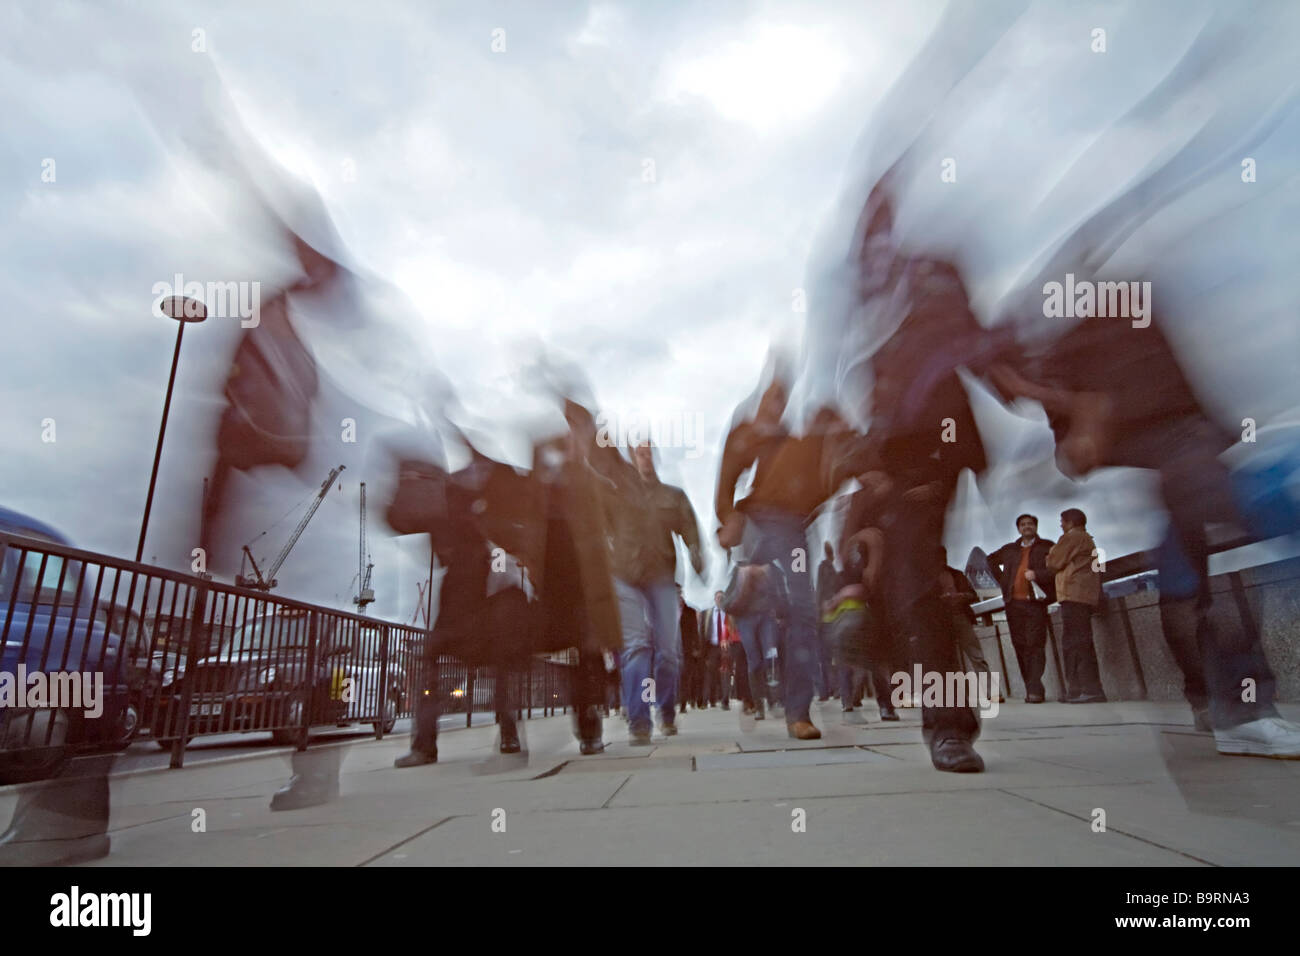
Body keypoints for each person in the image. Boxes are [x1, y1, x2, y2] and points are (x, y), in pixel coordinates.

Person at [989, 310, 1300, 756]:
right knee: (1187, 589)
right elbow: (1075, 458)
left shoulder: (1088, 335)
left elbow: (1152, 398)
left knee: (1199, 579)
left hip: (1188, 465)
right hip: (1167, 482)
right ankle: (1228, 708)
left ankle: (1229, 707)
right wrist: (1070, 415)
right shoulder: (1063, 370)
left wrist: (1069, 406)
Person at [715, 382, 849, 741]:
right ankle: (759, 581)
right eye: (772, 399)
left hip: (793, 534)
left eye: (782, 400)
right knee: (777, 597)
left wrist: (843, 454)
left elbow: (828, 487)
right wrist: (726, 515)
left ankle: (798, 712)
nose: (777, 407)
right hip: (759, 523)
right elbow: (728, 471)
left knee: (803, 611)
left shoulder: (806, 445)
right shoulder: (752, 433)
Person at [590, 439, 705, 745]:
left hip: (661, 578)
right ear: (632, 457)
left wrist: (696, 553)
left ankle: (665, 710)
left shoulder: (672, 496)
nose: (645, 458)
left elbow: (689, 527)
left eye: (649, 452)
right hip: (624, 576)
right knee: (637, 646)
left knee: (668, 652)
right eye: (639, 453)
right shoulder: (616, 494)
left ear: (655, 457)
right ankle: (639, 720)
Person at [988, 515, 1055, 702]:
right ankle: (1030, 688)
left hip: (1035, 603)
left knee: (1035, 644)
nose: (1027, 527)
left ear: (1035, 527)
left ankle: (1035, 689)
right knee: (1020, 645)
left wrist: (1038, 575)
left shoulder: (1047, 547)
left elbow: (1057, 568)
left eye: (1030, 524)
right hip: (1013, 604)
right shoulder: (1010, 549)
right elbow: (989, 560)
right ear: (1018, 529)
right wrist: (1003, 580)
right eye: (1023, 525)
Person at [1044, 509, 1106, 703]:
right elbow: (1099, 568)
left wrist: (1052, 551)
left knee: (1075, 643)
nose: (1060, 525)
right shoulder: (1088, 538)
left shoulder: (1071, 537)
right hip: (1086, 595)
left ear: (1070, 522)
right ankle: (1084, 689)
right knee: (1081, 641)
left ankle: (1085, 690)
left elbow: (1053, 563)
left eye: (1062, 521)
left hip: (1073, 595)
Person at [939, 547, 993, 687]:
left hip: (960, 617)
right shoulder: (926, 580)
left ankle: (991, 690)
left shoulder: (956, 574)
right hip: (940, 621)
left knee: (976, 655)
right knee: (945, 659)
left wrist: (960, 597)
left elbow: (972, 594)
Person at [700, 591, 735, 709]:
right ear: (714, 599)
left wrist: (731, 641)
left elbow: (734, 629)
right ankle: (705, 701)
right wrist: (702, 650)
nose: (720, 600)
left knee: (726, 673)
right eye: (718, 597)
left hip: (726, 647)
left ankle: (725, 701)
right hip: (712, 647)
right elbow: (702, 631)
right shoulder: (707, 613)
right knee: (709, 674)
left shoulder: (729, 613)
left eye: (722, 598)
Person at [815, 542, 839, 700]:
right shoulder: (833, 571)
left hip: (823, 620)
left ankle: (825, 691)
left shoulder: (822, 568)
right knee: (835, 657)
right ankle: (836, 689)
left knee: (824, 659)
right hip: (834, 618)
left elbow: (819, 592)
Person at [677, 588, 702, 713]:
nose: (679, 599)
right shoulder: (668, 610)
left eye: (680, 596)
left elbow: (694, 631)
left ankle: (683, 703)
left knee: (685, 677)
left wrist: (696, 647)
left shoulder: (690, 612)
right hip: (672, 648)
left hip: (686, 649)